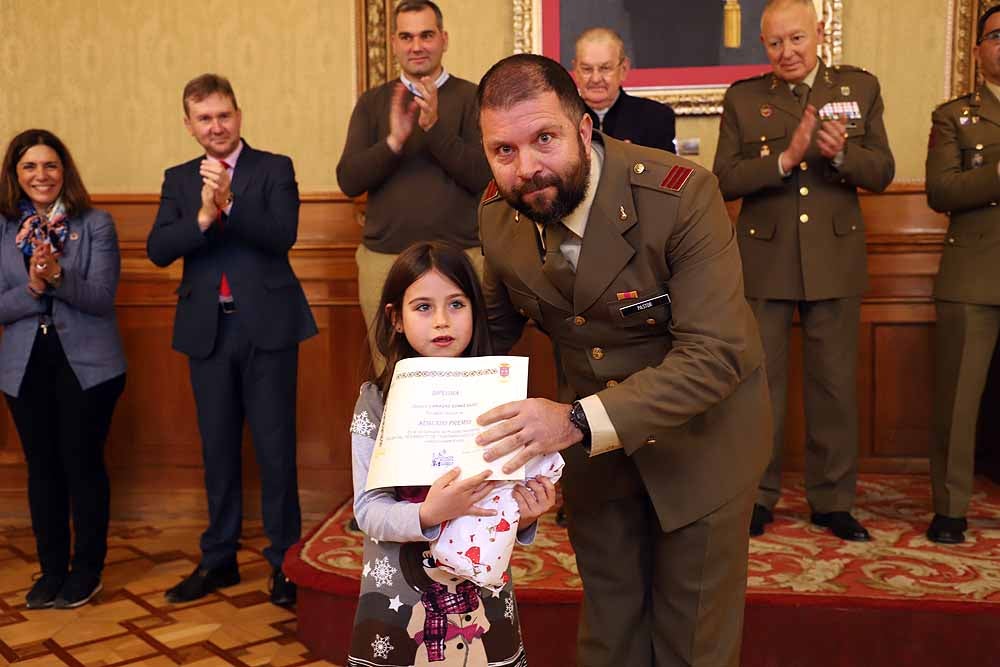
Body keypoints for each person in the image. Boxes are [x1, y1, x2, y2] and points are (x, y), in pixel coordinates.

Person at [474, 54, 771, 667]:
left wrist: (576, 421)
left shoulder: (681, 196)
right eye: (503, 151)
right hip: (599, 468)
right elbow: (486, 342)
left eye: (545, 139)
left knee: (692, 645)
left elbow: (717, 354)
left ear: (585, 127)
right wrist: (406, 401)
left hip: (702, 449)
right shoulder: (498, 218)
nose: (527, 168)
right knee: (610, 638)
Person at [713, 0, 894, 540]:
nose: (786, 52)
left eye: (796, 39)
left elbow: (882, 170)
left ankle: (833, 500)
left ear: (820, 32)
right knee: (758, 386)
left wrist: (842, 156)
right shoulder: (746, 98)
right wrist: (786, 159)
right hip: (765, 258)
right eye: (774, 43)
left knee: (835, 385)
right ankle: (758, 496)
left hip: (834, 258)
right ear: (762, 45)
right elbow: (723, 177)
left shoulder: (857, 87)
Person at [147, 73, 317, 607]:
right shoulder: (177, 180)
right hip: (207, 332)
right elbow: (157, 249)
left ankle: (284, 563)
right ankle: (218, 559)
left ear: (238, 116)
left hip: (267, 328)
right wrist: (201, 215)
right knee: (217, 452)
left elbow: (281, 235)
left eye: (224, 115)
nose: (216, 126)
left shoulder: (274, 167)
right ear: (189, 124)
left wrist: (230, 205)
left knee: (274, 452)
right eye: (204, 118)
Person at [347, 241, 556, 666]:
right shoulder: (375, 402)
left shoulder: (501, 398)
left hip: (482, 596)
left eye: (456, 304)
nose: (442, 321)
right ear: (396, 319)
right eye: (423, 307)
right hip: (400, 596)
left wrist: (527, 514)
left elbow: (503, 502)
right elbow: (368, 511)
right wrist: (429, 512)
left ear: (475, 311)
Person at [0, 129, 127, 609]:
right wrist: (32, 289)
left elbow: (99, 299)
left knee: (83, 466)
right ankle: (51, 570)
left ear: (64, 171)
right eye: (29, 167)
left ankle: (86, 570)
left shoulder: (96, 224)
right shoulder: (2, 228)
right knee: (43, 470)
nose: (40, 176)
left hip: (90, 368)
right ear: (16, 174)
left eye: (49, 166)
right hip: (24, 367)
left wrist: (57, 276)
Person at [336, 0, 492, 367]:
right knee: (390, 369)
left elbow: (484, 177)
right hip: (385, 259)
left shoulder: (473, 98)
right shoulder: (374, 103)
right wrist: (393, 143)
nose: (417, 45)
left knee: (470, 368)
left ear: (443, 39)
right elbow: (349, 180)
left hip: (463, 256)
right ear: (394, 43)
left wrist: (434, 130)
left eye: (426, 35)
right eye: (406, 37)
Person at [924, 5, 1000, 545]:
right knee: (958, 401)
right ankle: (950, 508)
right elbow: (943, 191)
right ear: (978, 51)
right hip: (974, 272)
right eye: (996, 36)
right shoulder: (955, 116)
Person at [572, 27, 676, 153]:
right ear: (576, 71)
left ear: (624, 69)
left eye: (605, 68)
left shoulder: (656, 118)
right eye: (587, 69)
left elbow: (666, 171)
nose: (595, 79)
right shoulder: (563, 117)